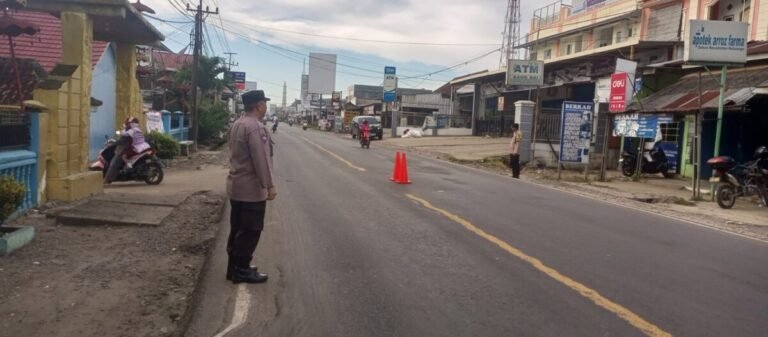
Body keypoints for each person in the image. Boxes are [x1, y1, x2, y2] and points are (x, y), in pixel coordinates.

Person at [225, 90, 275, 284]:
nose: (266, 107)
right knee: (250, 231)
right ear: (259, 106)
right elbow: (261, 160)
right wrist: (269, 185)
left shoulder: (238, 123)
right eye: (264, 103)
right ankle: (242, 270)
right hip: (251, 190)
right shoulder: (255, 128)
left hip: (236, 186)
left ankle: (233, 267)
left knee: (237, 229)